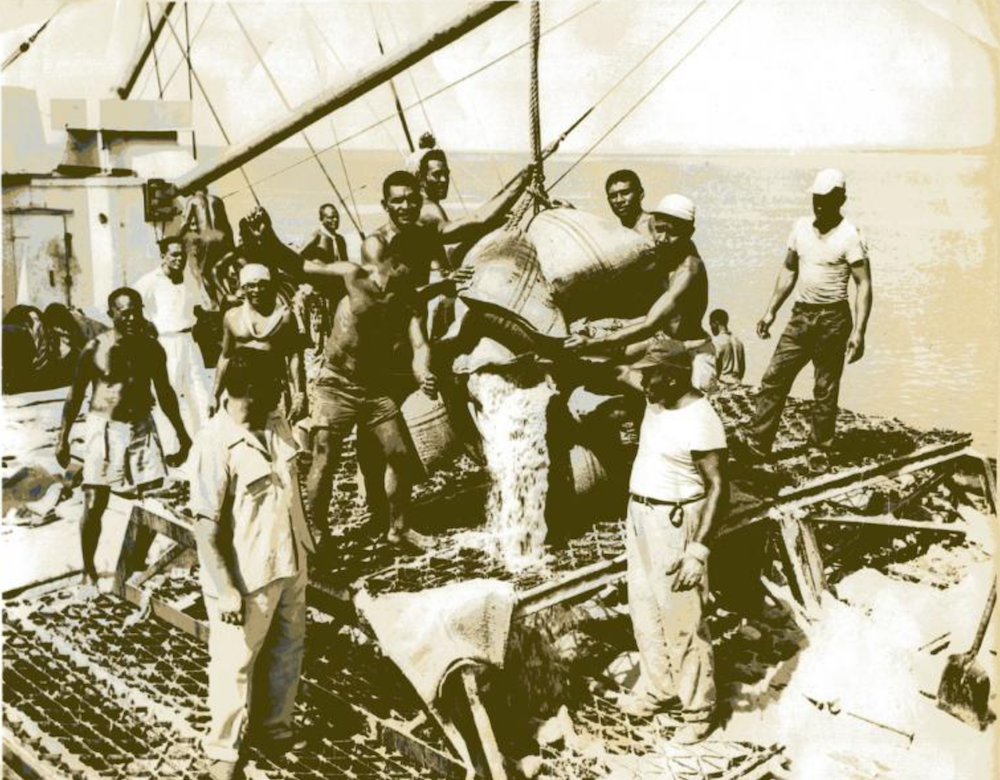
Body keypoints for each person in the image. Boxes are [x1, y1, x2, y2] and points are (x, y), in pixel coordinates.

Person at [188, 348, 314, 780]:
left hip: (290, 560)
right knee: (234, 663)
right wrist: (226, 588)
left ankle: (275, 727)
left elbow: (291, 488)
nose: (283, 392)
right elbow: (205, 525)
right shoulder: (213, 442)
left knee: (287, 649)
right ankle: (223, 750)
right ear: (253, 391)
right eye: (277, 386)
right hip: (248, 576)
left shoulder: (275, 423)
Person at [301, 177, 442, 551]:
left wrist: (423, 372)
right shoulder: (350, 276)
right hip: (337, 384)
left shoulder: (407, 294)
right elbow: (298, 267)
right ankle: (316, 533)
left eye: (391, 268)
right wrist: (263, 242)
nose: (383, 274)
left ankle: (397, 530)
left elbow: (419, 342)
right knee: (325, 458)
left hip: (376, 388)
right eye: (376, 265)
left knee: (398, 453)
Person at [614, 337, 727, 743]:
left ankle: (698, 710)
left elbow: (718, 487)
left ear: (677, 375)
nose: (644, 383)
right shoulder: (656, 397)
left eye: (653, 376)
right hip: (641, 515)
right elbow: (616, 370)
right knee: (644, 607)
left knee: (683, 618)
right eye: (644, 375)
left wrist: (698, 550)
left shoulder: (700, 419)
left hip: (676, 521)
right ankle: (659, 689)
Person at [55, 288, 191, 591]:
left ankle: (132, 564)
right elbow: (75, 394)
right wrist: (62, 437)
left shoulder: (153, 348)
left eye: (136, 311)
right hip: (104, 428)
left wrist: (182, 434)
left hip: (142, 427)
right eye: (124, 312)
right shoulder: (94, 348)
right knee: (95, 500)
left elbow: (165, 393)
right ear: (111, 314)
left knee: (154, 504)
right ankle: (88, 571)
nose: (131, 318)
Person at [741, 168, 873, 468]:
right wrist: (771, 310)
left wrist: (859, 332)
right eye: (816, 199)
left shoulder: (851, 235)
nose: (819, 205)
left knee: (825, 386)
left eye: (826, 199)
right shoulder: (800, 227)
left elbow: (863, 283)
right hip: (801, 314)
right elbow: (789, 269)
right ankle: (758, 443)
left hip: (833, 318)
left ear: (840, 199)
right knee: (774, 378)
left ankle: (818, 448)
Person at [566, 194, 716, 391]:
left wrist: (592, 342)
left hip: (692, 349)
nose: (662, 238)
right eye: (660, 229)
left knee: (689, 402)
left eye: (672, 233)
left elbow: (649, 324)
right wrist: (573, 213)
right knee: (613, 365)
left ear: (689, 232)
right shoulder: (665, 248)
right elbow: (622, 232)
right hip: (665, 341)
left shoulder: (689, 269)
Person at [133, 235, 214, 451]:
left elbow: (197, 309)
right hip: (166, 343)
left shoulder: (188, 280)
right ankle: (171, 448)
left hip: (189, 341)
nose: (180, 259)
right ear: (163, 256)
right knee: (168, 396)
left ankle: (205, 444)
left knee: (200, 391)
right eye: (174, 254)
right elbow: (131, 304)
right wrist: (146, 329)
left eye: (183, 254)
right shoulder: (149, 281)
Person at [210, 264, 307, 423]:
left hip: (272, 388)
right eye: (251, 286)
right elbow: (226, 356)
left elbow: (294, 356)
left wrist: (299, 395)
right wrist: (214, 394)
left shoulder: (284, 316)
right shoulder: (232, 317)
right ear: (243, 288)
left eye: (262, 285)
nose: (257, 290)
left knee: (276, 436)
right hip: (240, 392)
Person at [298, 204, 350, 352]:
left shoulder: (340, 239)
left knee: (339, 323)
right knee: (321, 327)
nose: (335, 220)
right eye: (330, 217)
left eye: (336, 216)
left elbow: (344, 263)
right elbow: (299, 255)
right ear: (322, 219)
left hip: (337, 289)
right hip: (320, 289)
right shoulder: (317, 235)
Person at [605, 169, 654, 240]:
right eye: (613, 196)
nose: (619, 200)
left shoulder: (658, 226)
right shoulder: (612, 235)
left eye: (625, 193)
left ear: (640, 194)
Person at [709, 309, 746, 385]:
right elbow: (742, 368)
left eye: (711, 324)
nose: (711, 328)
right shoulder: (739, 342)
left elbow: (714, 369)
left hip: (723, 384)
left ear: (716, 323)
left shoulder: (716, 341)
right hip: (738, 383)